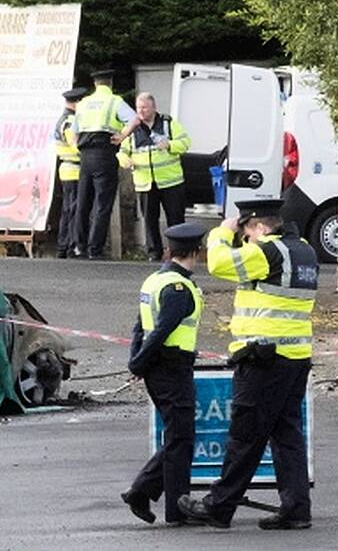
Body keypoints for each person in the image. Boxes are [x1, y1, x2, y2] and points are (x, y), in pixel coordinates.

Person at [178, 199, 318, 530]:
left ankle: (218, 506)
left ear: (258, 226)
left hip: (264, 358)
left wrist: (221, 233)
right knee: (287, 434)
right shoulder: (304, 251)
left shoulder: (267, 251)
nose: (246, 238)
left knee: (245, 436)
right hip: (295, 356)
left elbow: (220, 264)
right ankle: (296, 508)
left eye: (247, 232)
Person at [121, 222, 206, 526]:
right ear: (195, 252)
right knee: (181, 436)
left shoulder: (154, 281)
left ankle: (144, 492)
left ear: (170, 250)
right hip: (170, 367)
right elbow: (160, 331)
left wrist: (137, 360)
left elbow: (139, 327)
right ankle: (173, 506)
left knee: (178, 435)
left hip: (161, 367)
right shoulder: (178, 288)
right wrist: (139, 364)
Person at [72, 69, 140, 260]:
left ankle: (80, 246)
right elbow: (135, 120)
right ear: (110, 83)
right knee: (103, 203)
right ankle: (95, 249)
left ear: (95, 84)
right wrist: (122, 136)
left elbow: (74, 131)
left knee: (83, 201)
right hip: (105, 152)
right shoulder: (115, 101)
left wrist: (81, 148)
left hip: (85, 155)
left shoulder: (83, 103)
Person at [117, 93, 191, 261]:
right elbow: (121, 152)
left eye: (144, 108)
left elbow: (186, 143)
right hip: (145, 183)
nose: (140, 111)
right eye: (138, 108)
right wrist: (125, 161)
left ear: (154, 108)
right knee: (149, 220)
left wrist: (170, 145)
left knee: (176, 219)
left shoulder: (168, 123)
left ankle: (179, 252)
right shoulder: (132, 128)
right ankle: (154, 252)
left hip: (171, 181)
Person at [54, 87, 88, 258]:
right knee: (74, 210)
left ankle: (63, 246)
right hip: (74, 169)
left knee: (69, 210)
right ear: (77, 103)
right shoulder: (70, 121)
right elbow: (76, 145)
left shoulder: (64, 118)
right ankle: (69, 246)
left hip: (68, 169)